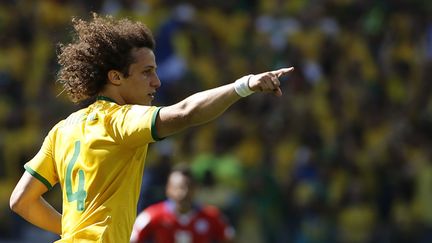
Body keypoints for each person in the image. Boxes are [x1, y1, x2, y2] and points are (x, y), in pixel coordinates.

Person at [9, 13, 294, 242]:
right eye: (147, 73)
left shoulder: (62, 129)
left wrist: (74, 233)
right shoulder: (119, 121)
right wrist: (243, 86)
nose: (156, 82)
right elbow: (185, 113)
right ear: (115, 77)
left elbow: (21, 201)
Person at [130, 164, 234, 243]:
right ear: (168, 189)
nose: (183, 193)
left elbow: (229, 238)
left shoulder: (212, 215)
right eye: (177, 188)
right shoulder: (151, 215)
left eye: (188, 187)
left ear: (195, 189)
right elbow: (132, 238)